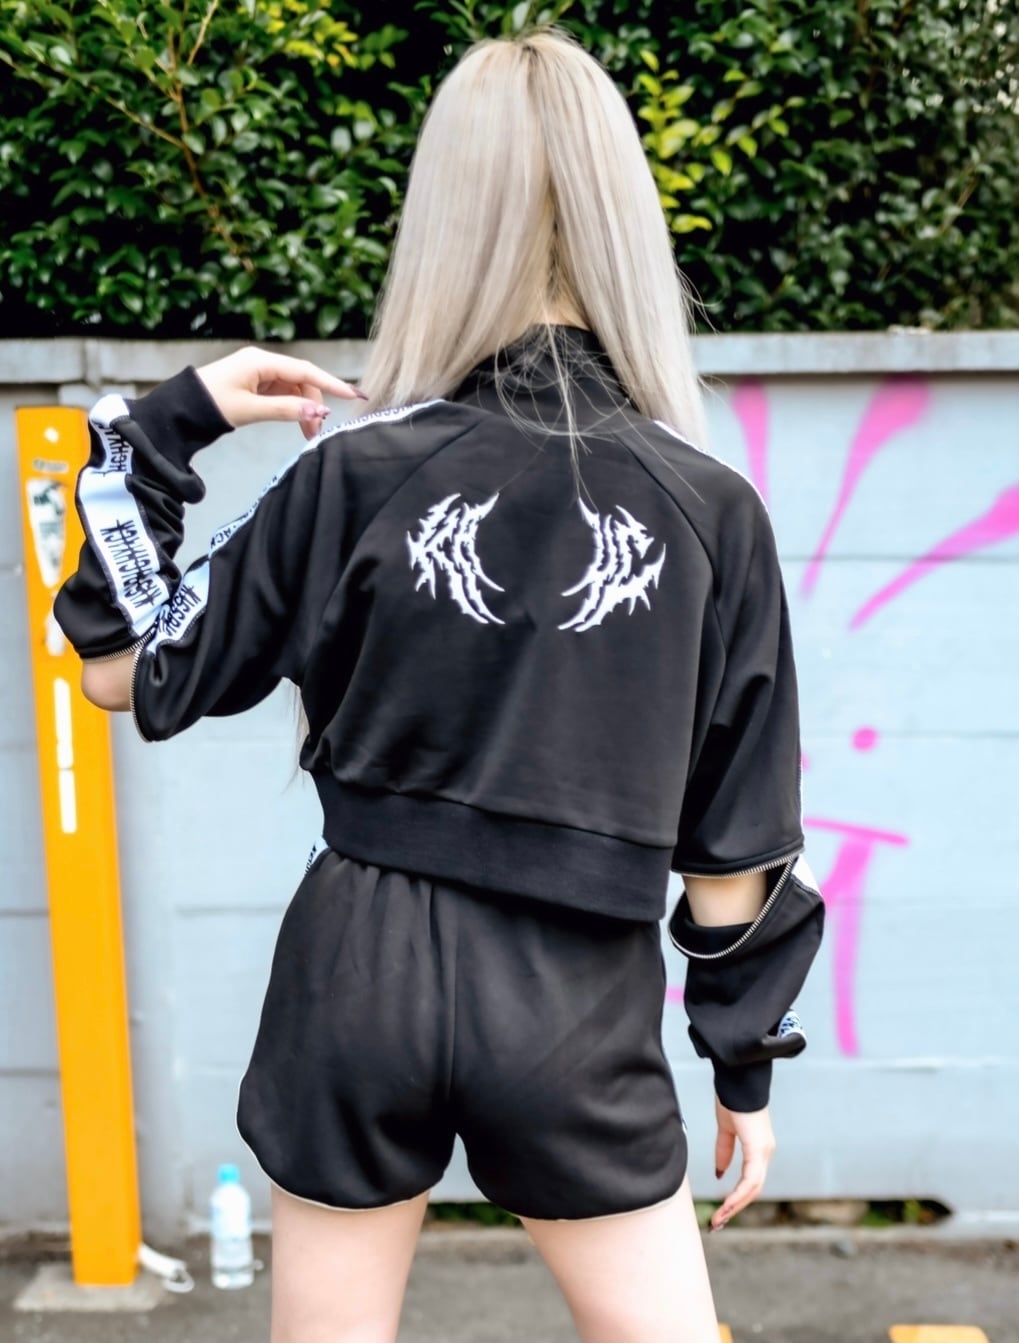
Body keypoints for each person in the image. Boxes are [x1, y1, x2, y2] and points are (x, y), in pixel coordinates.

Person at [55, 26, 823, 1343]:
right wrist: (741, 1068)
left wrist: (169, 424)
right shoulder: (709, 511)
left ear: (442, 221)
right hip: (574, 989)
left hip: (355, 971)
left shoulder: (355, 477)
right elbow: (732, 850)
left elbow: (126, 669)